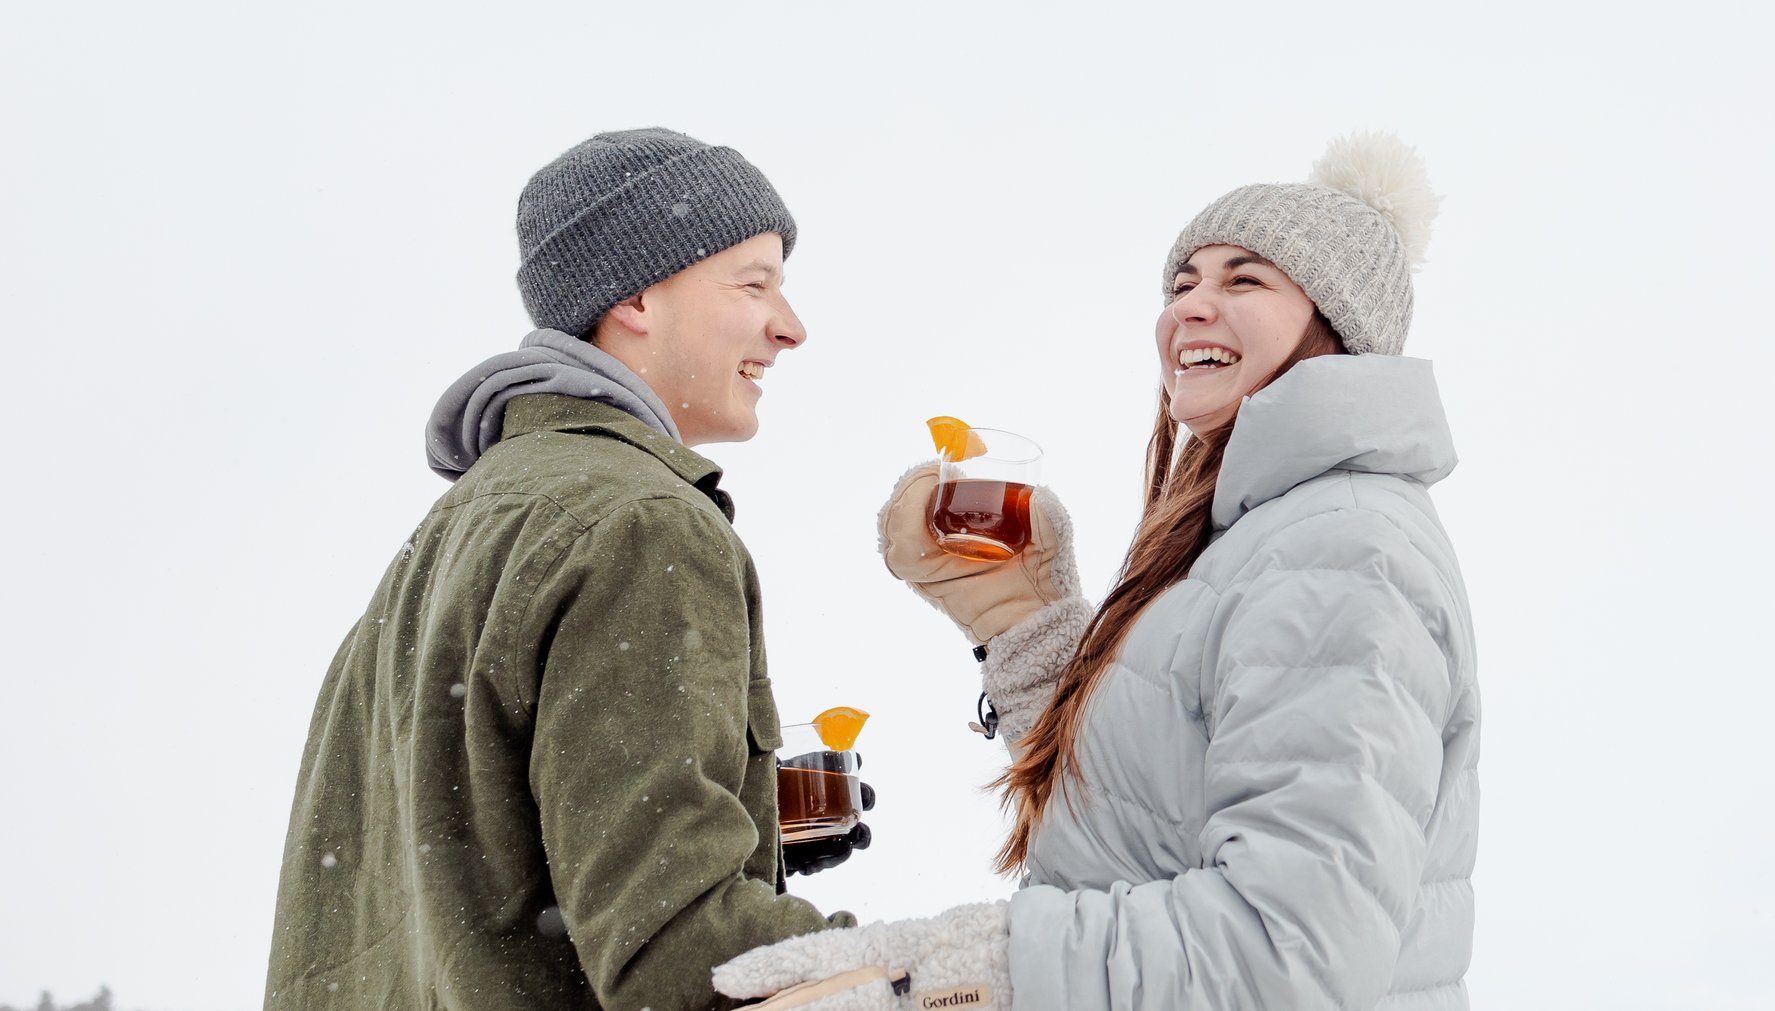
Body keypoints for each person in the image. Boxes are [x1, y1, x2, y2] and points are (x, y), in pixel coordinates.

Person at [715, 132, 1478, 1011]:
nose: (1191, 307)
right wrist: (1028, 630)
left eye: (1244, 280)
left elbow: (1289, 950)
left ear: (1338, 324)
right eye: (1182, 283)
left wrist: (958, 970)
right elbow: (1143, 831)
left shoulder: (1342, 550)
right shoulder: (1258, 537)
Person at [265, 128, 864, 1011]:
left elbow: (461, 864)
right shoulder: (644, 524)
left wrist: (736, 818)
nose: (791, 326)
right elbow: (679, 948)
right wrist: (930, 969)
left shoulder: (441, 545)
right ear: (634, 295)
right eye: (754, 282)